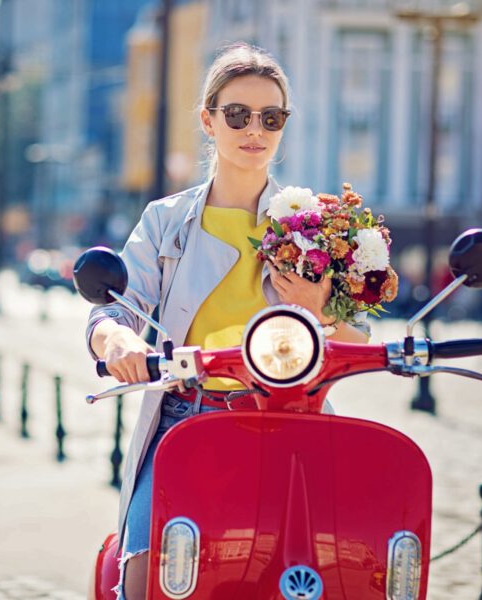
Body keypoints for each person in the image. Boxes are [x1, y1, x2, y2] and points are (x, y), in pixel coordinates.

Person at [85, 42, 370, 600]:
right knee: (143, 579)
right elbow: (115, 303)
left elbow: (359, 335)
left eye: (271, 117)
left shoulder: (311, 222)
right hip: (186, 422)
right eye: (237, 114)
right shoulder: (166, 221)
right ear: (208, 120)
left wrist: (320, 312)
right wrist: (115, 337)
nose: (254, 129)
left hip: (291, 423)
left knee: (333, 576)